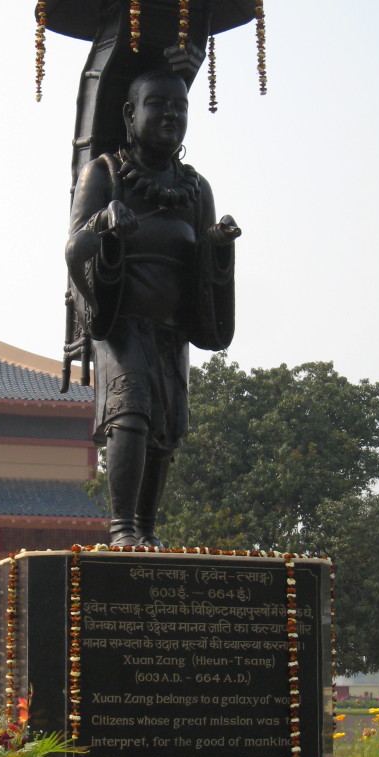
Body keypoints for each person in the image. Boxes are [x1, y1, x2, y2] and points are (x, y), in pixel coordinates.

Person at [66, 70, 239, 548]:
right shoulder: (104, 173)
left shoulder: (195, 189)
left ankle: (146, 527)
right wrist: (105, 222)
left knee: (165, 427)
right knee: (132, 415)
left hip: (171, 325)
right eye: (157, 104)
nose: (170, 115)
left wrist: (218, 245)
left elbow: (203, 256)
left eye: (180, 108)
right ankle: (122, 527)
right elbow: (75, 243)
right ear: (129, 114)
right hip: (121, 318)